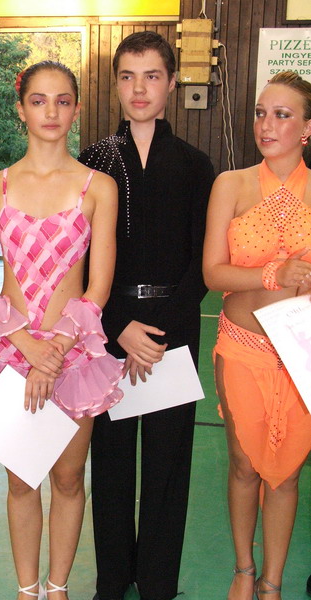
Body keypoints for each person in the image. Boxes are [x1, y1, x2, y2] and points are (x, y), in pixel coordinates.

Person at [0, 61, 123, 600]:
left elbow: (98, 287)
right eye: (38, 100)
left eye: (62, 100)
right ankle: (26, 590)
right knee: (20, 478)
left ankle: (58, 588)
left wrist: (55, 351)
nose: (50, 111)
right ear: (21, 109)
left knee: (70, 479)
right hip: (11, 352)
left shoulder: (98, 187)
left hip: (73, 356)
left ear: (76, 109)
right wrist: (27, 345)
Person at [78, 31, 215, 600]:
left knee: (167, 464)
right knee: (111, 464)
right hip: (110, 331)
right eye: (128, 76)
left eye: (152, 76)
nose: (140, 88)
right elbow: (82, 259)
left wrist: (156, 335)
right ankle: (112, 580)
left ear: (172, 84)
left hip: (170, 332)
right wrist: (118, 327)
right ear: (116, 85)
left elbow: (202, 262)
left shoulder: (196, 166)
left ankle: (158, 582)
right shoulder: (93, 163)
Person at [203, 70, 311, 600]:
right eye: (260, 113)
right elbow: (213, 273)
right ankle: (244, 569)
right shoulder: (232, 184)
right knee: (244, 464)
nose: (266, 125)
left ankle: (273, 582)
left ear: (307, 128)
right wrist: (274, 274)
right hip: (242, 348)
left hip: (301, 357)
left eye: (282, 115)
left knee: (287, 473)